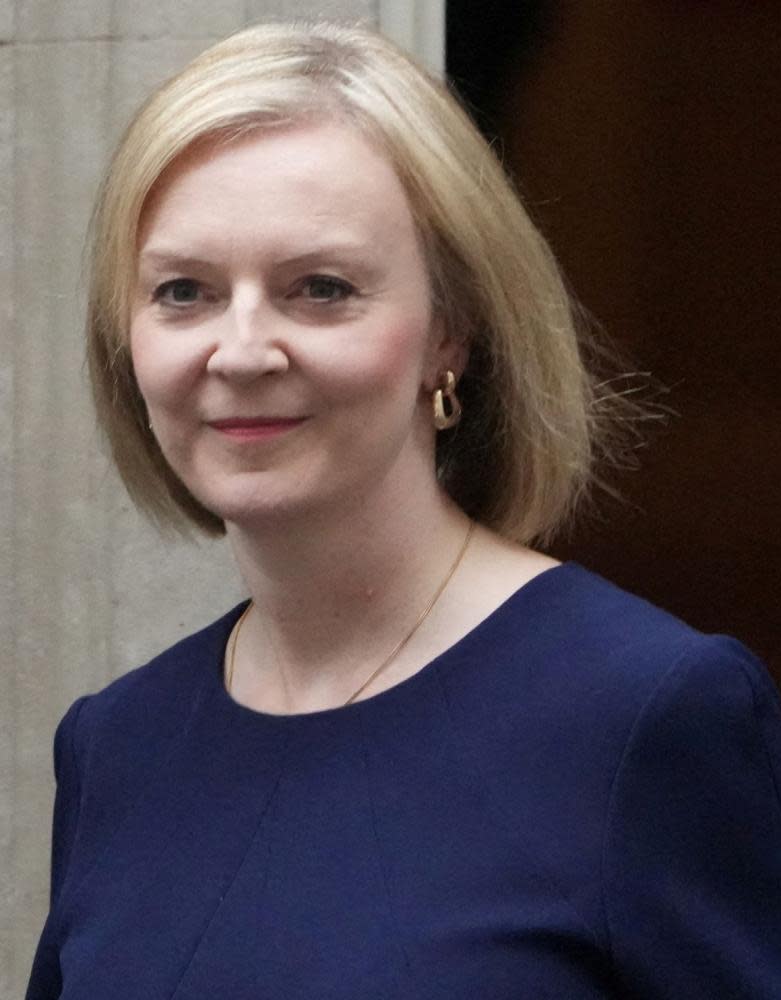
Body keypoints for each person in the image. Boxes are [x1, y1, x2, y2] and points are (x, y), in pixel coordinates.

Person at [26, 20, 781, 1000]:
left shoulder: (645, 714)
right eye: (185, 291)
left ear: (449, 337)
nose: (242, 349)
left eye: (321, 289)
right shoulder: (116, 745)